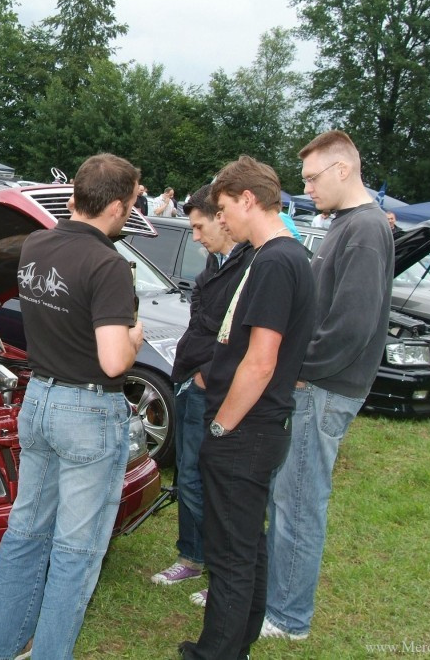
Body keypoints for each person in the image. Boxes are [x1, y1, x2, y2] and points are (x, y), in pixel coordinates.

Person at [0, 153, 144, 660]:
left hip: (40, 399)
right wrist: (135, 337)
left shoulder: (36, 243)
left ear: (75, 196)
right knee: (77, 550)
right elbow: (114, 361)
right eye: (132, 203)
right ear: (116, 207)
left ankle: (0, 649)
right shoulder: (108, 264)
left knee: (25, 531)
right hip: (88, 410)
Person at [178, 155, 315, 660]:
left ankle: (216, 652)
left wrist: (220, 427)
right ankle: (239, 645)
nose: (222, 219)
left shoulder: (276, 261)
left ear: (248, 200)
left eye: (224, 208)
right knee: (248, 544)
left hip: (246, 429)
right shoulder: (278, 256)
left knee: (230, 554)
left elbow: (260, 361)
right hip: (260, 426)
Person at [263, 130, 394, 640]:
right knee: (287, 496)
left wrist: (302, 369)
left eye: (312, 178)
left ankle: (288, 618)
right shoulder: (346, 223)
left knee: (298, 502)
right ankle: (276, 600)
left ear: (343, 170)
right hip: (317, 383)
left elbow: (352, 324)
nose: (307, 188)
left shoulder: (364, 228)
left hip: (323, 387)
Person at [150, 185, 253, 596]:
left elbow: (246, 335)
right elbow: (201, 320)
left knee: (212, 483)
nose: (194, 237)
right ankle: (192, 557)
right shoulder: (216, 263)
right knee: (188, 476)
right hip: (191, 381)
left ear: (222, 218)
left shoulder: (252, 265)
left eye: (199, 227)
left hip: (216, 389)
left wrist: (207, 375)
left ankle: (222, 572)